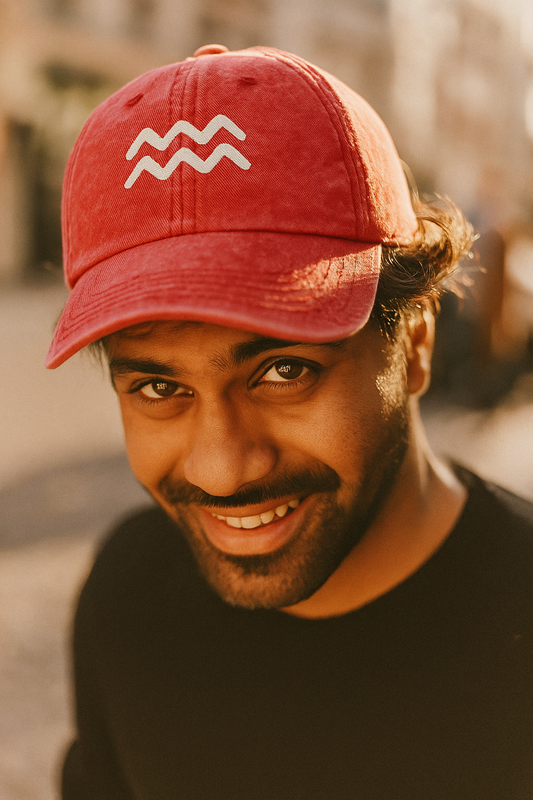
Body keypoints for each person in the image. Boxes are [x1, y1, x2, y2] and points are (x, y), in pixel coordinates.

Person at [46, 45, 533, 799]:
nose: (220, 467)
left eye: (284, 372)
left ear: (415, 341)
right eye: (156, 386)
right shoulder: (128, 595)